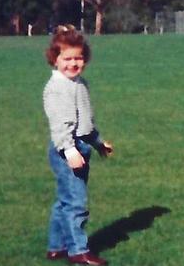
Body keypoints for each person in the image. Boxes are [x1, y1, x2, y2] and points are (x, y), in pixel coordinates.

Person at [43, 25, 114, 265]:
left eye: (79, 58)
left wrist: (98, 143)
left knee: (65, 199)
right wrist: (70, 151)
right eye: (67, 58)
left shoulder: (79, 84)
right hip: (67, 150)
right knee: (76, 202)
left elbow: (85, 123)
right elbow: (60, 126)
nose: (73, 63)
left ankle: (57, 246)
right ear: (55, 59)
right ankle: (78, 251)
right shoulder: (57, 88)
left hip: (80, 146)